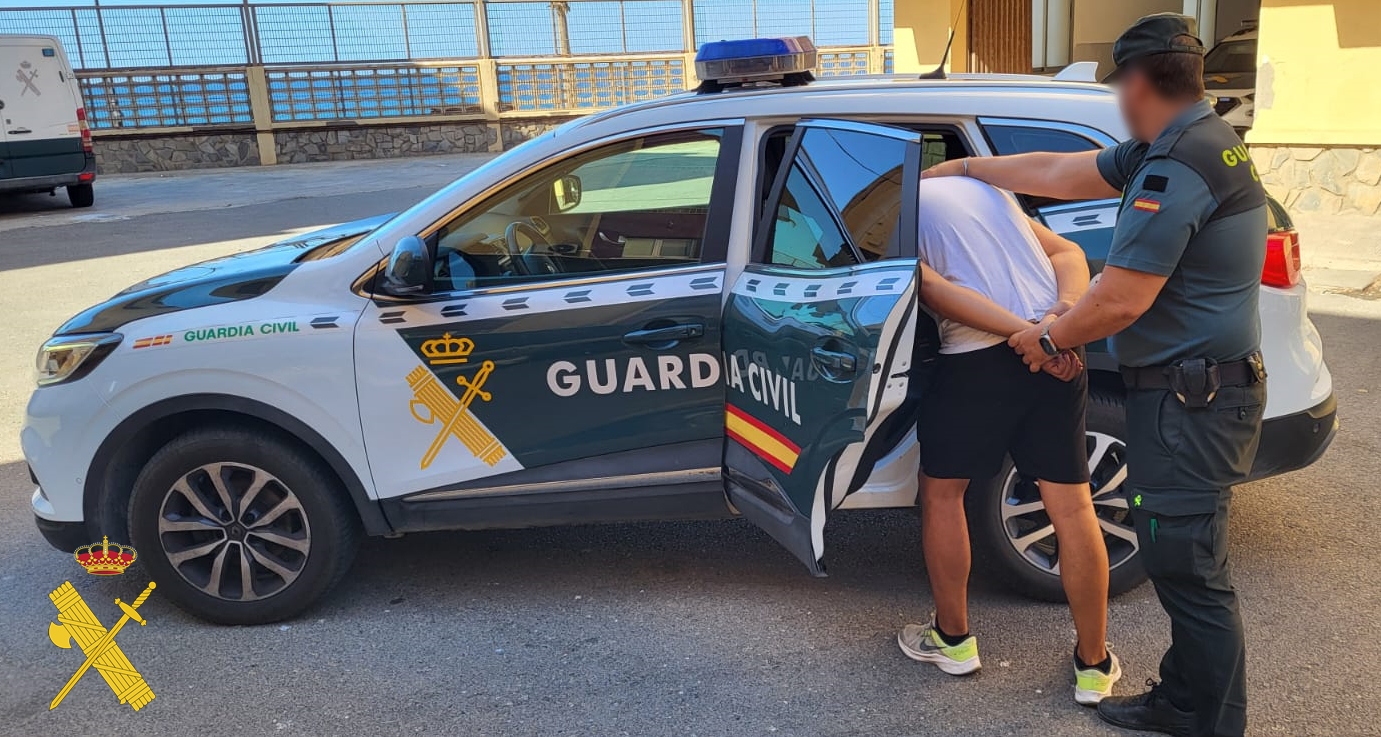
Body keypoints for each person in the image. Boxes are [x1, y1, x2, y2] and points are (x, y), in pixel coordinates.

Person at [923, 13, 1268, 737]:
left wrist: (1047, 336)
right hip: (1189, 390)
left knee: (1191, 569)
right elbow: (1061, 172)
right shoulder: (1188, 142)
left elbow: (1120, 300)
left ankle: (1210, 719)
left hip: (1193, 398)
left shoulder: (1176, 167)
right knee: (1173, 557)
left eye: (1119, 87)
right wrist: (968, 168)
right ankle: (1177, 696)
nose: (1119, 99)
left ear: (1137, 83)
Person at [894, 175, 1122, 707]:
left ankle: (952, 640)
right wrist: (1054, 324)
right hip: (1060, 352)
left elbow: (933, 290)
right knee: (1072, 505)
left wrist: (1025, 334)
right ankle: (1093, 665)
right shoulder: (991, 191)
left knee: (943, 494)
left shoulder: (895, 207)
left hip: (975, 360)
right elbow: (1068, 252)